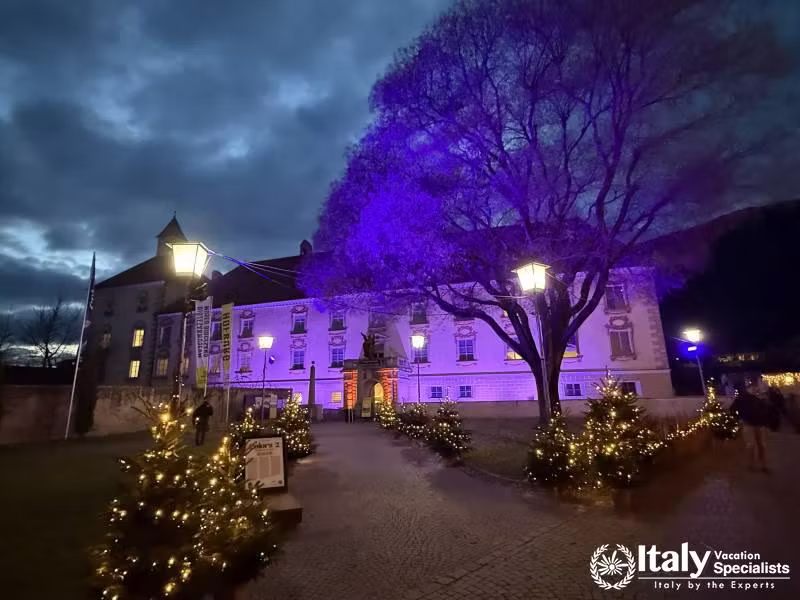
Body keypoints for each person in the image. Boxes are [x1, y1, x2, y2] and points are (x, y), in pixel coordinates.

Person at [730, 378, 773, 472]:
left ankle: (764, 465)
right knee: (751, 445)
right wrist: (739, 419)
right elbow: (732, 409)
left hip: (761, 425)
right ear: (748, 388)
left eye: (756, 387)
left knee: (762, 445)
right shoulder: (742, 398)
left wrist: (764, 401)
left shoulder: (761, 398)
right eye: (752, 387)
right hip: (748, 425)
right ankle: (751, 465)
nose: (754, 389)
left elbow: (768, 410)